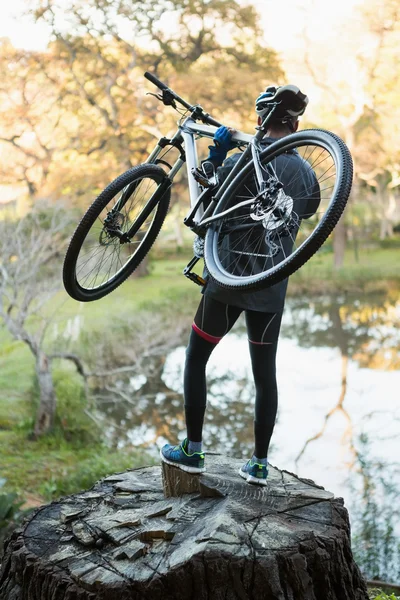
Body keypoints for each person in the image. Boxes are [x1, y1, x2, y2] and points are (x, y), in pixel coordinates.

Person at [160, 85, 320, 485]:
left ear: (260, 120)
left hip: (227, 278)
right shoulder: (306, 172)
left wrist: (215, 155)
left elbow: (209, 202)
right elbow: (314, 208)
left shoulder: (241, 159)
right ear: (296, 123)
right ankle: (260, 464)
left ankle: (192, 451)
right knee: (265, 375)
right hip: (270, 286)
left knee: (197, 357)